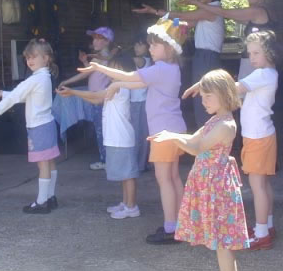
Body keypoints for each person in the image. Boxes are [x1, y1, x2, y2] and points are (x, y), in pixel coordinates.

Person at [77, 17, 188, 244]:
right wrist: (117, 84)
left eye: (154, 45)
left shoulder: (160, 68)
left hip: (162, 133)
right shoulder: (171, 68)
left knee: (164, 180)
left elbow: (130, 77)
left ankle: (171, 227)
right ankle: (181, 222)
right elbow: (137, 82)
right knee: (174, 177)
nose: (150, 48)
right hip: (175, 129)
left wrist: (99, 67)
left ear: (169, 48)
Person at [150, 69, 248, 271]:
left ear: (224, 94)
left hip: (217, 187)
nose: (203, 101)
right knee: (223, 239)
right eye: (202, 96)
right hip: (209, 184)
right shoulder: (215, 120)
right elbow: (194, 138)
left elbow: (197, 148)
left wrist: (173, 137)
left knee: (222, 240)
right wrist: (170, 134)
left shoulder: (225, 125)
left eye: (208, 96)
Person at [185, 29, 279, 250]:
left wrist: (203, 84)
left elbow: (232, 88)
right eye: (249, 53)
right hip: (261, 135)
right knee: (263, 184)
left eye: (256, 53)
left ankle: (262, 234)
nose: (251, 57)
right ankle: (267, 225)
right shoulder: (268, 73)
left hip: (258, 137)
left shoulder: (262, 74)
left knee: (257, 186)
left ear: (269, 52)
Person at [133, 0, 224, 128]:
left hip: (207, 57)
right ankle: (206, 132)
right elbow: (183, 23)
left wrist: (156, 11)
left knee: (206, 96)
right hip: (202, 56)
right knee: (202, 96)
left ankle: (209, 134)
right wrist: (167, 21)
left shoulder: (212, 10)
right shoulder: (205, 12)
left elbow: (183, 17)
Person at [0, 38, 60, 215]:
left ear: (46, 58)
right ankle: (51, 197)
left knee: (43, 164)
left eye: (34, 56)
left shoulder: (35, 79)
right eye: (27, 57)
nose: (29, 60)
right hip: (47, 125)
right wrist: (5, 94)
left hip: (38, 127)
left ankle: (42, 202)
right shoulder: (45, 77)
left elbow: (17, 95)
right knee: (50, 161)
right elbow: (23, 95)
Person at [57, 55, 140, 219]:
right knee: (123, 175)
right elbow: (96, 100)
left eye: (116, 68)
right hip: (116, 138)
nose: (111, 72)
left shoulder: (120, 88)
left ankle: (132, 207)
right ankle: (126, 203)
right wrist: (75, 93)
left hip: (121, 138)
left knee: (128, 175)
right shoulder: (115, 87)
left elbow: (97, 97)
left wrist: (73, 92)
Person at [181, 0, 273, 79]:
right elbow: (231, 16)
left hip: (257, 59)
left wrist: (196, 3)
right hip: (254, 58)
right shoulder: (262, 11)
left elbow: (225, 13)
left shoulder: (257, 11)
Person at [58, 27, 114, 170]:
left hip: (99, 99)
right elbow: (92, 72)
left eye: (98, 38)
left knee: (101, 131)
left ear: (107, 41)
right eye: (93, 38)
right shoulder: (103, 56)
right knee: (102, 129)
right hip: (99, 98)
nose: (94, 41)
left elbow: (85, 74)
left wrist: (66, 82)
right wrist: (85, 63)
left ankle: (105, 161)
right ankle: (107, 159)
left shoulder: (102, 57)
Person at [129, 33, 151, 172]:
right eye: (135, 44)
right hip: (136, 101)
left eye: (140, 44)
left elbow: (130, 59)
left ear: (147, 47)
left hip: (140, 102)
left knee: (138, 134)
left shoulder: (143, 60)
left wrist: (116, 52)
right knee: (140, 133)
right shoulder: (146, 60)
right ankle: (140, 163)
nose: (137, 47)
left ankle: (139, 165)